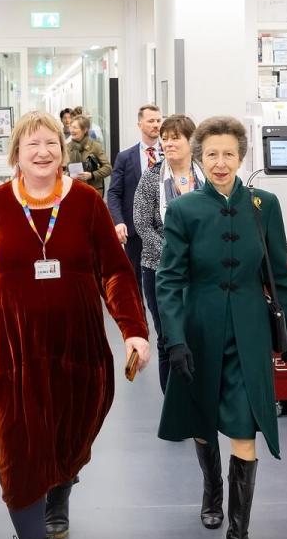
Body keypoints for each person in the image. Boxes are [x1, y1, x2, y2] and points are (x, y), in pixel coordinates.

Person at [0, 110, 150, 539]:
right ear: (16, 155)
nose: (43, 153)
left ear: (63, 152)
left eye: (51, 144)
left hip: (76, 348)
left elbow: (115, 272)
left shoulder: (86, 202)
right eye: (32, 145)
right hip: (9, 352)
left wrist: (133, 330)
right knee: (18, 448)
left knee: (67, 435)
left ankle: (60, 486)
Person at [155, 116, 287, 539]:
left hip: (250, 332)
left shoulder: (266, 205)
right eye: (212, 154)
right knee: (202, 419)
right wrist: (173, 337)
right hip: (199, 328)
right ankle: (211, 487)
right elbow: (170, 278)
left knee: (245, 425)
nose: (220, 163)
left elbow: (278, 272)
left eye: (229, 154)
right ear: (200, 158)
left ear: (242, 158)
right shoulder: (183, 211)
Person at [132, 113, 203, 393]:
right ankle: (173, 403)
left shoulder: (205, 176)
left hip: (201, 271)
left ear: (191, 141)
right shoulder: (151, 178)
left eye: (176, 138)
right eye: (165, 138)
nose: (168, 143)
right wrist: (172, 255)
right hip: (159, 269)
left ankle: (198, 397)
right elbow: (141, 222)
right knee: (167, 337)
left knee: (197, 336)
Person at [107, 103, 163, 298]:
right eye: (151, 121)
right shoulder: (125, 157)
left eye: (158, 120)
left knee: (164, 280)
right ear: (140, 124)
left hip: (164, 228)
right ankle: (140, 322)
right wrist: (118, 221)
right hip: (134, 229)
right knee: (134, 280)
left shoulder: (169, 153)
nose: (156, 125)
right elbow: (114, 193)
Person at [66, 114, 112, 197]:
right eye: (71, 127)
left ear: (85, 130)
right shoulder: (67, 148)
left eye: (75, 128)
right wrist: (67, 175)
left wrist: (92, 175)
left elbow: (108, 168)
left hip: (93, 191)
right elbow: (59, 170)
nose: (72, 130)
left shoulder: (95, 146)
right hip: (71, 190)